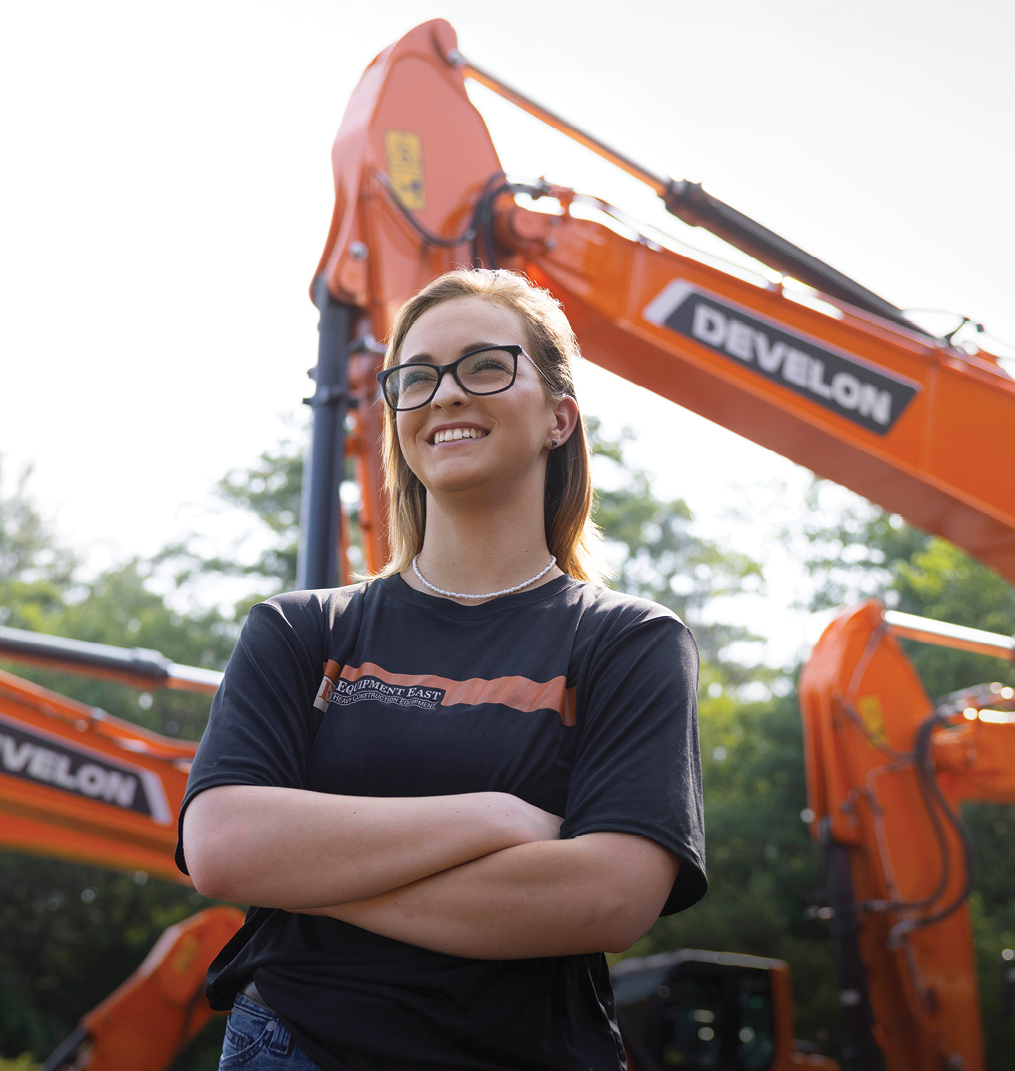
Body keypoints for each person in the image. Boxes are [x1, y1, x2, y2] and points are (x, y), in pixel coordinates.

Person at [176, 268, 705, 1071]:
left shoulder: (627, 642)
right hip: (296, 1047)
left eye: (485, 365)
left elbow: (606, 896)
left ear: (558, 417)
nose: (445, 395)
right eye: (415, 377)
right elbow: (222, 846)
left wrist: (306, 876)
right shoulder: (298, 630)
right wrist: (491, 817)